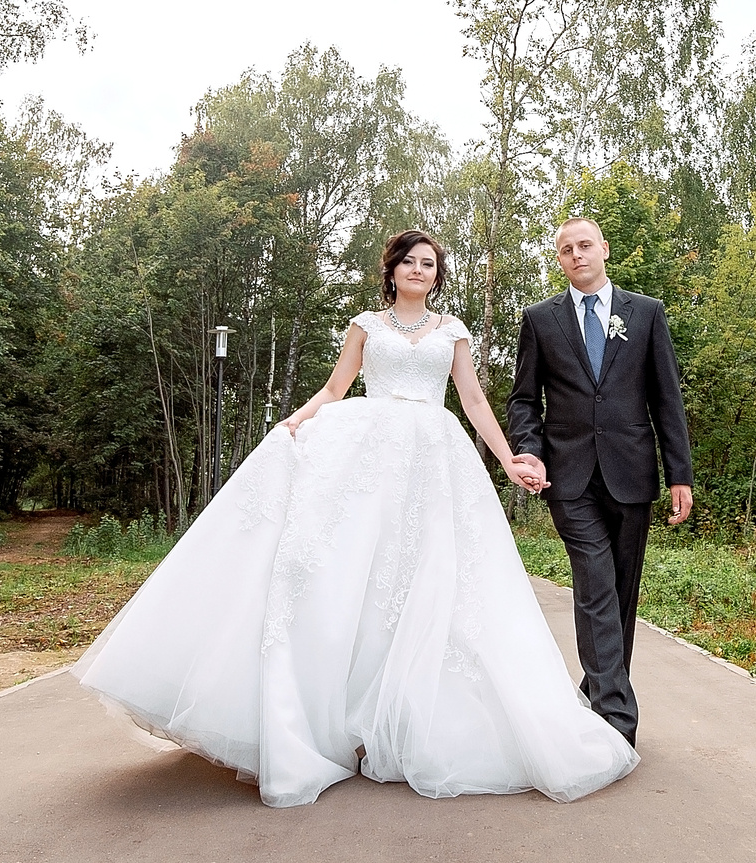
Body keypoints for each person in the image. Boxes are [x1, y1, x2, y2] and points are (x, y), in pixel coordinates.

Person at [74, 229, 639, 808]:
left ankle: (406, 719)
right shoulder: (366, 326)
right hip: (369, 460)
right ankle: (347, 722)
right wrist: (295, 421)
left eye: (429, 264)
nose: (419, 270)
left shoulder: (453, 332)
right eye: (410, 262)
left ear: (436, 274)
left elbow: (471, 401)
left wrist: (508, 459)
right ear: (392, 270)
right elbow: (336, 387)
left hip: (434, 463)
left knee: (432, 582)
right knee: (358, 582)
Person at [505, 217, 693, 746]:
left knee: (621, 594)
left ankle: (597, 693)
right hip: (568, 477)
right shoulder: (540, 320)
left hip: (632, 473)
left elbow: (666, 399)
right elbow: (524, 399)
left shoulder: (646, 313)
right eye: (565, 250)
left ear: (604, 249)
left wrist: (680, 474)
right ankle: (616, 723)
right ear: (559, 260)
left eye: (584, 245)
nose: (575, 255)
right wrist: (529, 451)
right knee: (594, 586)